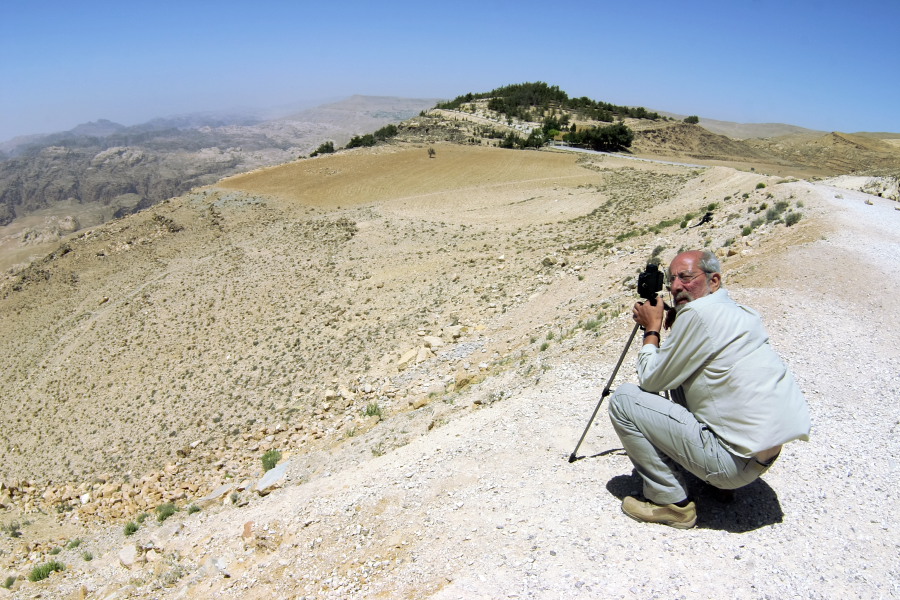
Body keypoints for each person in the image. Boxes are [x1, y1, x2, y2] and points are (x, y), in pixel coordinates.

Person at [608, 250, 810, 528]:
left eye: (687, 277)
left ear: (714, 280)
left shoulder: (698, 315)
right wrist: (681, 320)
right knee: (683, 374)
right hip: (763, 454)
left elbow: (651, 380)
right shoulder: (739, 312)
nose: (677, 286)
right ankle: (717, 480)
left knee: (623, 400)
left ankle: (669, 502)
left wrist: (651, 328)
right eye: (673, 280)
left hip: (733, 465)